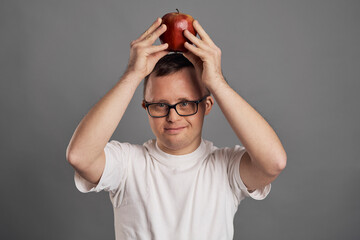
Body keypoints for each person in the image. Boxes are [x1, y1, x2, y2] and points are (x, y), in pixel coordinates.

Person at [66, 17, 287, 240]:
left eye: (184, 103)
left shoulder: (225, 169)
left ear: (206, 106)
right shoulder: (127, 164)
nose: (172, 116)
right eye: (160, 105)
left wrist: (217, 82)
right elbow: (80, 157)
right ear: (145, 107)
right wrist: (132, 75)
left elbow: (273, 162)